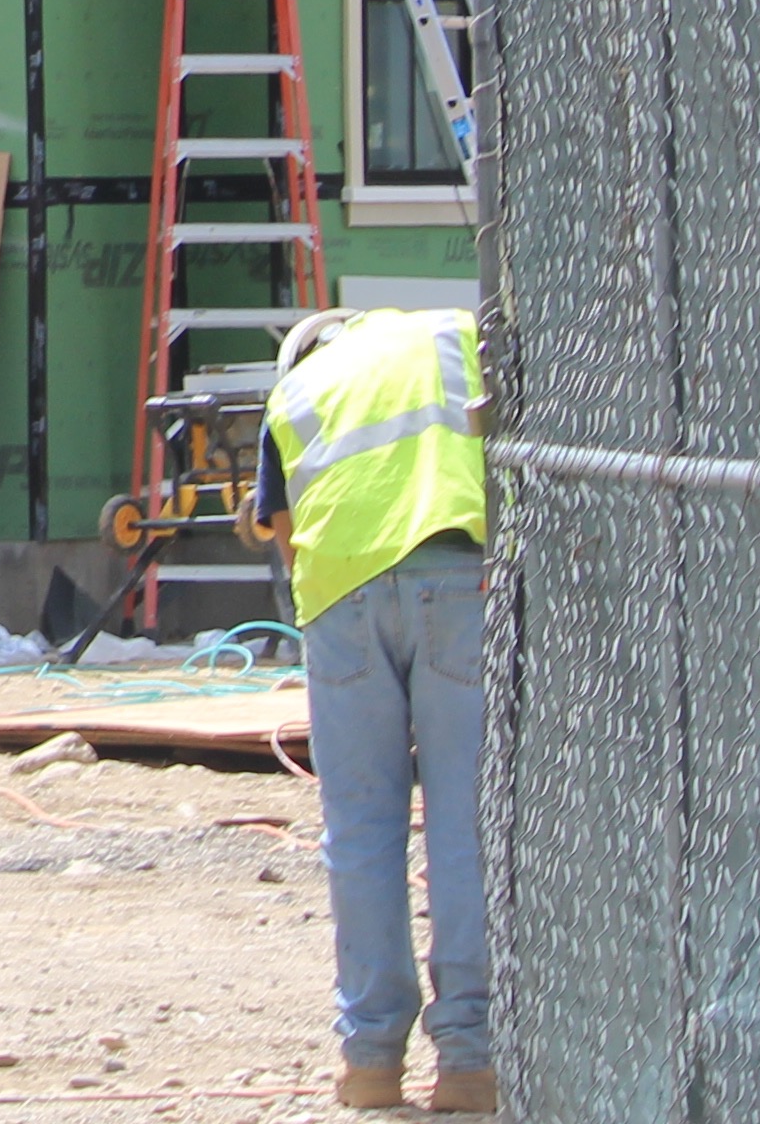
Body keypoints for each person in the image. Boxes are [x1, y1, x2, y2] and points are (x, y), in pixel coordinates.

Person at [259, 305, 493, 1115]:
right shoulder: (461, 337)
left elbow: (283, 530)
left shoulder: (300, 384)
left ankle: (369, 1063)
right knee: (463, 822)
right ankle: (469, 1059)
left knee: (360, 831)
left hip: (339, 601)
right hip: (460, 579)